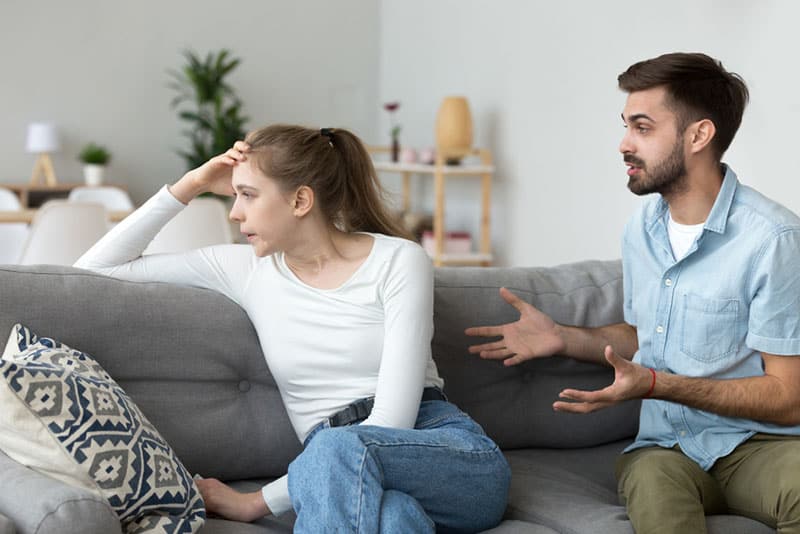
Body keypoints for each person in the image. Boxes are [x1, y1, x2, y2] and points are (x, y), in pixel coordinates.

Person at [75, 124, 510, 532]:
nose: (233, 212)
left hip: (446, 454)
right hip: (336, 472)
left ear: (301, 201)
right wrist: (189, 185)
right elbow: (92, 272)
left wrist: (254, 502)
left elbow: (391, 422)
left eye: (247, 194)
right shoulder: (246, 270)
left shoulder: (398, 260)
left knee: (335, 450)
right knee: (395, 518)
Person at [466, 52, 800, 533]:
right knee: (657, 499)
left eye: (642, 128)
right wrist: (563, 336)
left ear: (698, 136)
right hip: (663, 451)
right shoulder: (642, 229)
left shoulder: (773, 240)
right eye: (626, 126)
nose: (624, 144)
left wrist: (656, 385)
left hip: (758, 446)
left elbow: (788, 396)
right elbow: (647, 336)